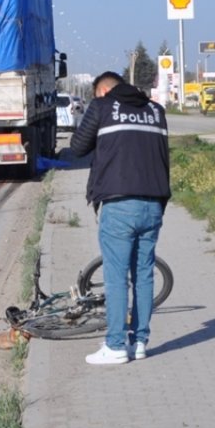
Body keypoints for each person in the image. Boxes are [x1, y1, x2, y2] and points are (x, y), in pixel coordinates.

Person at [67, 71, 171, 365]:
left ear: (102, 91)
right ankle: (139, 342)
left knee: (116, 278)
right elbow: (164, 157)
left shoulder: (101, 107)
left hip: (119, 203)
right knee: (144, 275)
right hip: (153, 202)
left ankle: (114, 346)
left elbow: (76, 148)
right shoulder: (156, 111)